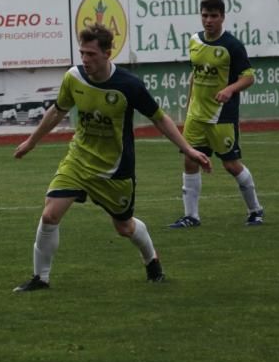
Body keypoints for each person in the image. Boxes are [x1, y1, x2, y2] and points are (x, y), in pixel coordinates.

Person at [12, 24, 212, 292]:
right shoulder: (74, 77)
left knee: (124, 227)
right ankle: (41, 278)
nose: (85, 59)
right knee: (50, 215)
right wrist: (31, 142)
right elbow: (58, 111)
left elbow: (159, 118)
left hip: (114, 169)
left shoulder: (128, 86)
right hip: (78, 160)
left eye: (91, 54)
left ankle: (151, 260)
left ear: (108, 53)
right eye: (82, 53)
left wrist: (187, 148)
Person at [168, 0, 264, 229]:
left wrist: (230, 89)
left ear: (222, 17)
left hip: (221, 116)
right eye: (204, 15)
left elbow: (249, 77)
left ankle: (255, 210)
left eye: (213, 16)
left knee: (231, 165)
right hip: (196, 115)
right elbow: (195, 74)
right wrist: (189, 104)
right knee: (191, 161)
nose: (208, 20)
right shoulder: (194, 41)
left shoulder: (232, 46)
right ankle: (191, 216)